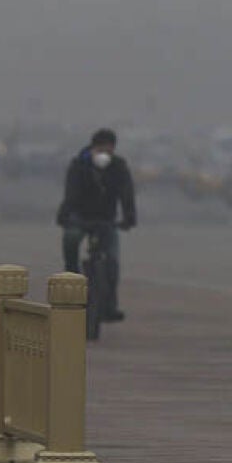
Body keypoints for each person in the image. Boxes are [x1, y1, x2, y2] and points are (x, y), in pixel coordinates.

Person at [57, 129, 137, 323]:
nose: (104, 155)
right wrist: (65, 216)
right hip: (80, 218)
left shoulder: (118, 166)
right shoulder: (79, 165)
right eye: (101, 150)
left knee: (112, 261)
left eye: (108, 151)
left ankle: (110, 306)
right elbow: (70, 194)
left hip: (106, 221)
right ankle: (72, 281)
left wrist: (129, 218)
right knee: (70, 239)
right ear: (93, 148)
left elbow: (126, 194)